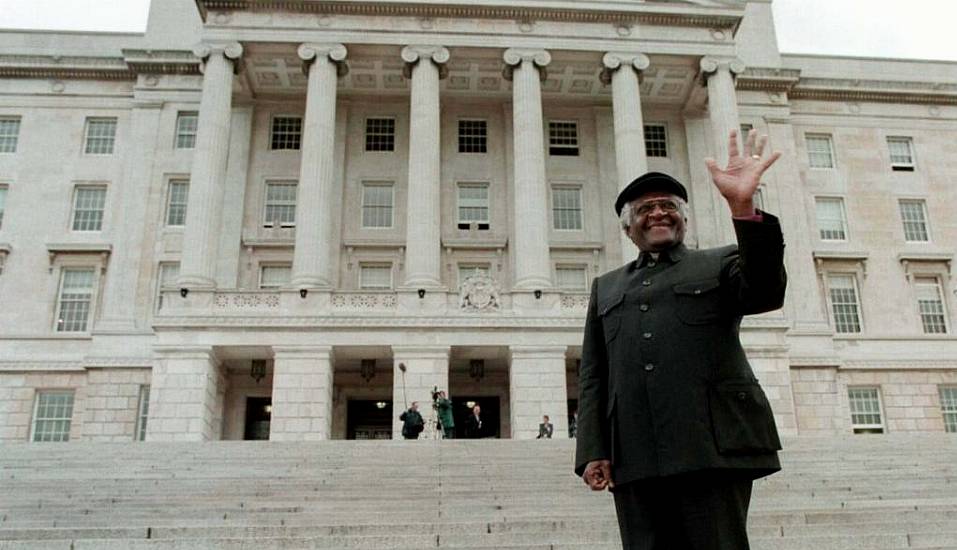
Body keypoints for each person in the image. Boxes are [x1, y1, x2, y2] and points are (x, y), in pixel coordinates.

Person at [575, 129, 786, 550]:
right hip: (632, 454)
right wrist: (592, 450)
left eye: (668, 206)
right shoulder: (606, 286)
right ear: (628, 227)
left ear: (684, 220)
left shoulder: (721, 261)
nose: (657, 213)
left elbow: (766, 292)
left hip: (710, 447)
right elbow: (594, 375)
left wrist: (743, 207)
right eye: (645, 208)